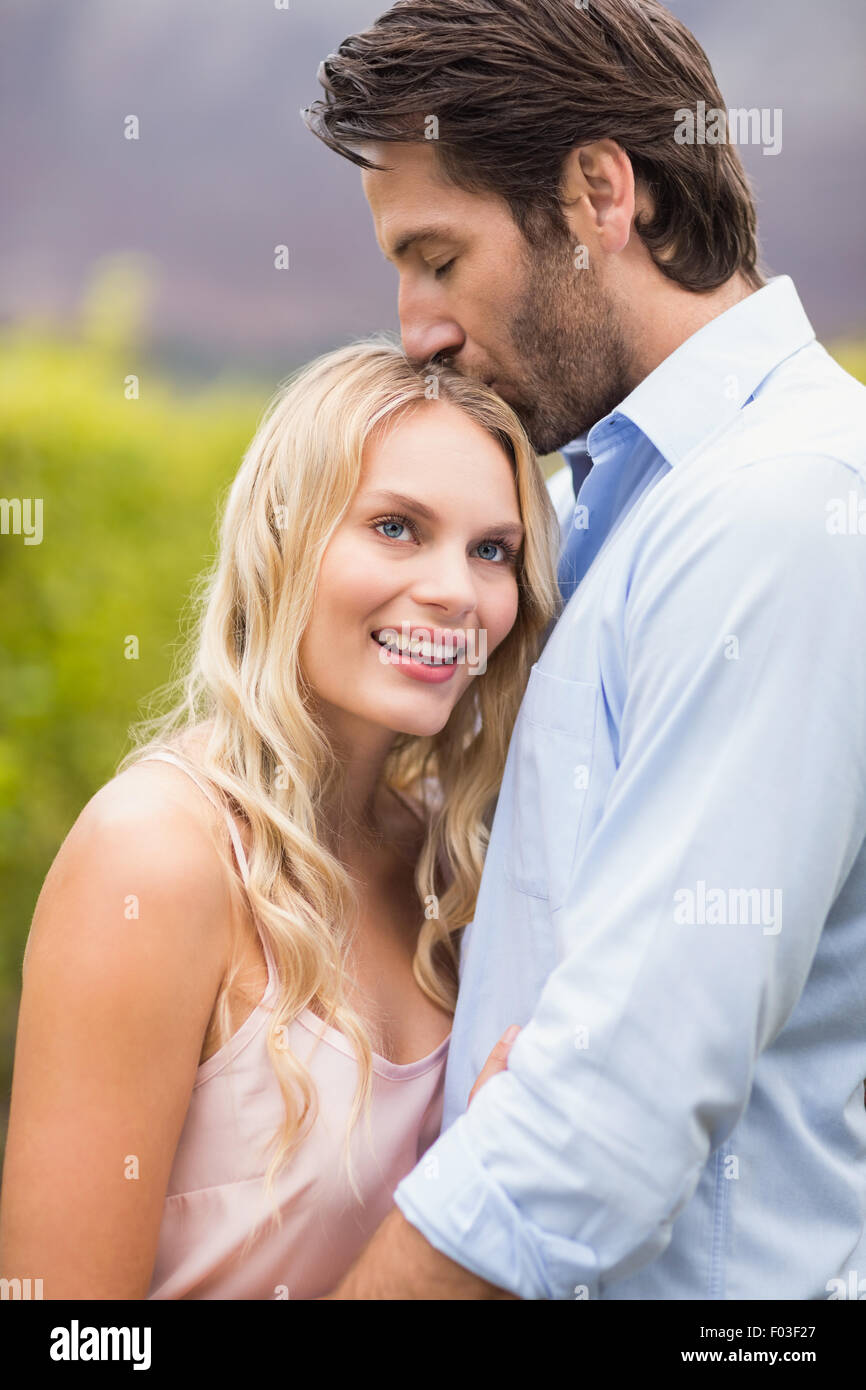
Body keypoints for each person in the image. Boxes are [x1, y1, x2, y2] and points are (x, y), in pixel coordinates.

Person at [302, 0, 866, 1299]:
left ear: (598, 193)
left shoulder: (780, 509)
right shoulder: (601, 510)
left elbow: (609, 1103)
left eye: (438, 257)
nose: (416, 328)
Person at [0, 338, 561, 1299]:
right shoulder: (158, 855)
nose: (454, 591)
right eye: (395, 526)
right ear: (281, 535)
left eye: (492, 550)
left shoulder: (452, 856)